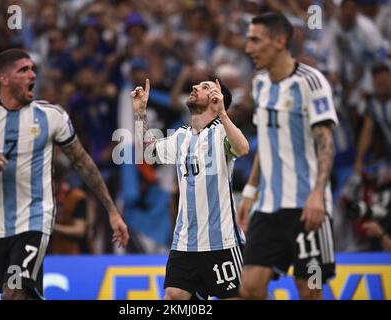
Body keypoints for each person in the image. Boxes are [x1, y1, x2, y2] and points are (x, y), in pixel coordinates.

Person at [0, 49, 129, 300]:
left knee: (13, 293)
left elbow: (83, 162)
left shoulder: (51, 116)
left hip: (35, 218)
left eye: (33, 69)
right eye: (24, 70)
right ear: (4, 79)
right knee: (22, 295)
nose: (33, 74)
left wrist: (112, 211)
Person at [236, 13, 338, 300]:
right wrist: (250, 192)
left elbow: (326, 143)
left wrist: (318, 193)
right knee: (249, 288)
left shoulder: (311, 82)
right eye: (248, 39)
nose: (248, 48)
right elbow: (267, 144)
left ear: (280, 41)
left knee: (310, 291)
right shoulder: (259, 84)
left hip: (307, 206)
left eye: (256, 40)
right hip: (268, 207)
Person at [131, 76, 249, 300]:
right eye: (197, 85)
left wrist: (223, 113)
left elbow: (243, 149)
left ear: (217, 99)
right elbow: (148, 153)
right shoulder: (181, 136)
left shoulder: (222, 131)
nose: (194, 87)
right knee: (174, 296)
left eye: (206, 87)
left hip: (221, 242)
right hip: (184, 243)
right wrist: (140, 114)